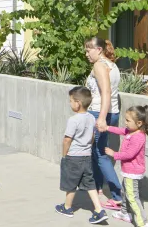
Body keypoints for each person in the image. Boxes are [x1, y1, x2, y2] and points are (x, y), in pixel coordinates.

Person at [55, 86, 108, 224]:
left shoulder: (73, 120)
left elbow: (67, 139)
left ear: (78, 103)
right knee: (90, 183)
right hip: (86, 156)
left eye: (71, 101)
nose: (70, 103)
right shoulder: (91, 117)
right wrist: (88, 148)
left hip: (73, 157)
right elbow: (91, 136)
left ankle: (67, 207)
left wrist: (64, 155)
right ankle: (99, 209)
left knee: (71, 182)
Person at [85, 36, 122, 210]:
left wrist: (100, 117)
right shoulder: (112, 65)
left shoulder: (99, 65)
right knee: (96, 151)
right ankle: (98, 186)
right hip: (112, 112)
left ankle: (117, 196)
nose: (86, 54)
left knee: (100, 154)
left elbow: (106, 92)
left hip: (101, 112)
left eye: (88, 50)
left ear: (98, 49)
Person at [105, 105, 148, 227]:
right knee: (125, 193)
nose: (125, 123)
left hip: (132, 172)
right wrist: (107, 127)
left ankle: (143, 223)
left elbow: (129, 154)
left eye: (128, 120)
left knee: (132, 198)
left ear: (139, 123)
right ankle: (124, 213)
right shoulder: (132, 131)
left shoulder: (138, 137)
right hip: (128, 171)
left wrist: (114, 154)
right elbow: (121, 130)